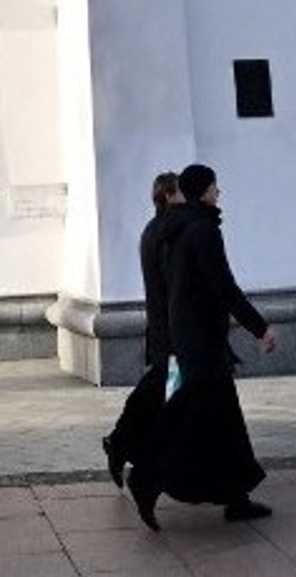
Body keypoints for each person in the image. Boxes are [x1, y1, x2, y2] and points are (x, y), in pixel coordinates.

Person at [129, 162, 276, 528]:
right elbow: (223, 287)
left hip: (186, 338)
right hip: (202, 344)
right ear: (204, 190)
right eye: (215, 187)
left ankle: (236, 497)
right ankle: (146, 477)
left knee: (220, 420)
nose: (218, 193)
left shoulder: (173, 229)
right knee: (190, 419)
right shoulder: (202, 230)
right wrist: (260, 328)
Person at [101, 171, 182, 487]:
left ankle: (124, 445)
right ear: (167, 196)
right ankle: (128, 449)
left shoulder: (155, 230)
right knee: (162, 395)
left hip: (166, 330)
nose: (184, 199)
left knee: (160, 393)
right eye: (179, 194)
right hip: (172, 332)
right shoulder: (165, 234)